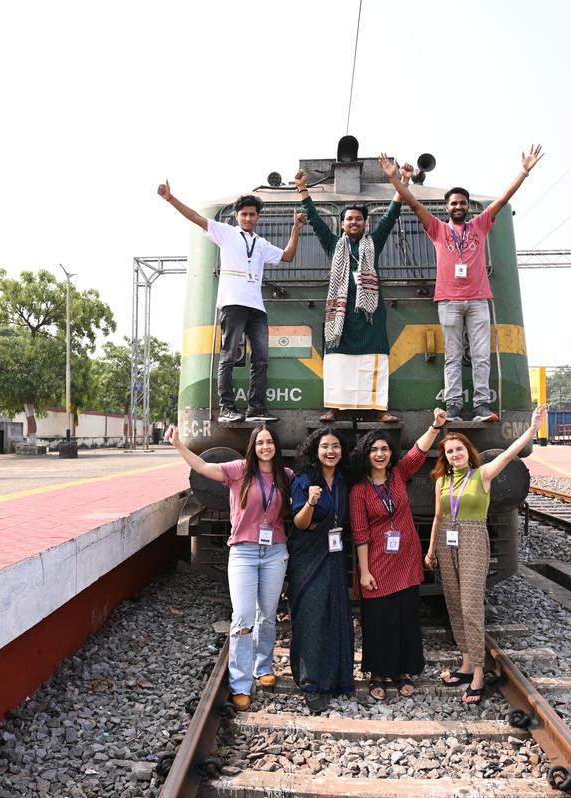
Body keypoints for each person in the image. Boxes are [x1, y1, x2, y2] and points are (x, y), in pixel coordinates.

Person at [379, 147, 544, 423]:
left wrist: (524, 171)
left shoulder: (480, 225)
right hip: (449, 301)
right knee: (453, 356)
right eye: (453, 203)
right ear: (447, 207)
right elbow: (412, 202)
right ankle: (453, 405)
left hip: (479, 300)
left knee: (481, 356)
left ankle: (481, 406)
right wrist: (395, 179)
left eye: (462, 203)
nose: (458, 207)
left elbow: (503, 199)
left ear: (468, 206)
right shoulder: (437, 229)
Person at [165, 423, 293, 711]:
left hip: (275, 552)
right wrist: (179, 445)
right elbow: (203, 467)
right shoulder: (239, 470)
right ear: (253, 446)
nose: (265, 447)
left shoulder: (286, 476)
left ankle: (263, 667)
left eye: (269, 442)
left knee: (268, 614)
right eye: (260, 442)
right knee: (244, 616)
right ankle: (240, 683)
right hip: (244, 552)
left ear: (276, 446)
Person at [426, 403, 547, 705]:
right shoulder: (442, 481)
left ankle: (479, 673)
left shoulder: (482, 475)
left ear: (468, 451)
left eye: (459, 449)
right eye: (450, 451)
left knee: (470, 606)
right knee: (453, 602)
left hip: (473, 539)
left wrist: (532, 429)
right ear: (445, 457)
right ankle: (465, 663)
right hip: (445, 541)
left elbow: (508, 454)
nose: (455, 455)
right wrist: (430, 551)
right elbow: (439, 518)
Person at [158, 181, 306, 422]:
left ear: (257, 217)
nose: (248, 218)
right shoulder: (225, 233)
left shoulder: (261, 244)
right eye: (244, 214)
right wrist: (170, 199)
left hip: (256, 307)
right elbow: (195, 217)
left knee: (261, 358)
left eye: (252, 214)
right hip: (232, 304)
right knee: (229, 356)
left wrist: (296, 229)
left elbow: (287, 256)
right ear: (237, 216)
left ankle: (256, 408)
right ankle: (227, 408)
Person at [294, 163, 414, 424]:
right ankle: (334, 409)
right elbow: (314, 220)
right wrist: (303, 190)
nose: (353, 222)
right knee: (337, 359)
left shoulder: (374, 242)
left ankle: (379, 409)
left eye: (358, 219)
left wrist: (403, 180)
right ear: (343, 223)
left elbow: (391, 215)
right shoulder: (333, 244)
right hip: (340, 313)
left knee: (374, 360)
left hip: (370, 313)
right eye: (349, 219)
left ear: (364, 223)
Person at [349, 408, 447, 700]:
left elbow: (418, 452)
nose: (380, 454)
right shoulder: (359, 491)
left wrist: (434, 426)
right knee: (379, 620)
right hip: (378, 562)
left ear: (391, 454)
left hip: (405, 560)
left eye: (385, 449)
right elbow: (360, 534)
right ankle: (378, 673)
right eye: (374, 450)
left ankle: (403, 671)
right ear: (366, 455)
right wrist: (364, 571)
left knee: (406, 618)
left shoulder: (399, 475)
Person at [288, 427, 354, 713]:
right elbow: (299, 524)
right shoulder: (304, 481)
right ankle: (310, 682)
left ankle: (336, 677)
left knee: (336, 613)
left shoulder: (342, 482)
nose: (331, 451)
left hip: (334, 554)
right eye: (325, 446)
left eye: (336, 446)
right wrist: (312, 503)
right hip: (309, 554)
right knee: (311, 615)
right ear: (315, 451)